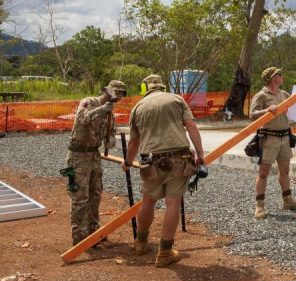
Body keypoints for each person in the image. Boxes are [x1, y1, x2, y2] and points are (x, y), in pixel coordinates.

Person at [122, 74, 205, 267]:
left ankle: (141, 243)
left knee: (148, 201)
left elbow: (134, 141)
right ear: (162, 86)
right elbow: (191, 125)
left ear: (145, 88)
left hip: (150, 162)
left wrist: (127, 161)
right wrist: (200, 155)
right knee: (173, 203)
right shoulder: (176, 100)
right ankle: (165, 252)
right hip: (178, 159)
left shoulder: (138, 107)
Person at [67, 80, 126, 246]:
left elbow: (111, 132)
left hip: (94, 155)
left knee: (95, 195)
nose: (119, 97)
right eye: (117, 93)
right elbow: (82, 119)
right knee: (79, 196)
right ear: (108, 91)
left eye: (122, 93)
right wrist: (102, 109)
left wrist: (111, 140)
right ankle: (79, 236)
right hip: (78, 156)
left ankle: (94, 231)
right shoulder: (89, 102)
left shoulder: (111, 114)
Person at [249, 67, 296, 220]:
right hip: (269, 138)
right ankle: (259, 206)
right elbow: (252, 115)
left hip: (285, 138)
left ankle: (288, 201)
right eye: (279, 74)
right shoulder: (261, 96)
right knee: (263, 173)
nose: (282, 76)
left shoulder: (283, 94)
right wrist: (267, 110)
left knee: (285, 171)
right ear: (272, 78)